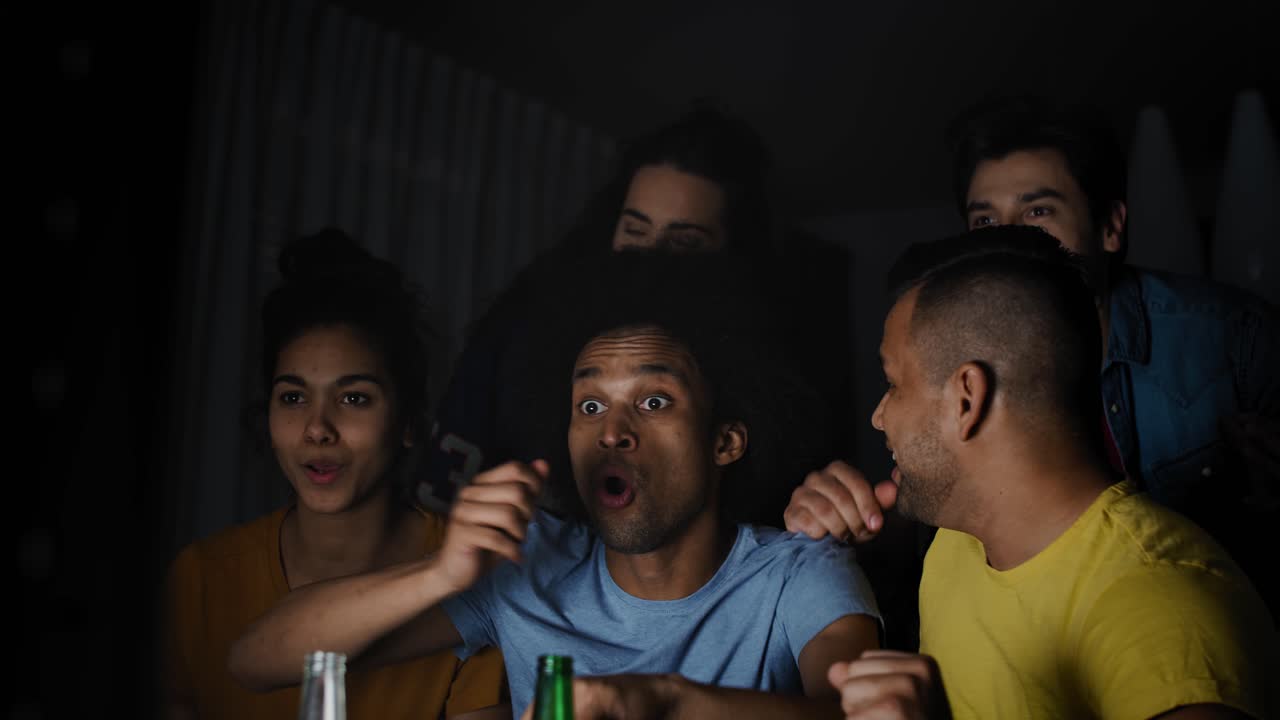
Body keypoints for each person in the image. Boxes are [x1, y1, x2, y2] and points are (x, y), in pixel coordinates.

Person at [228, 251, 881, 719]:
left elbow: (859, 714)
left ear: (725, 441)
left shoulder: (803, 571)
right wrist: (438, 575)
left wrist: (665, 702)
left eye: (653, 403)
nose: (613, 432)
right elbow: (256, 660)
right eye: (589, 407)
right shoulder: (528, 566)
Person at [794, 227, 1275, 719]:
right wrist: (823, 534)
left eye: (894, 384)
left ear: (966, 399)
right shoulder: (960, 536)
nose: (879, 416)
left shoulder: (1166, 610)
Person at [422, 105, 852, 514]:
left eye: (683, 243)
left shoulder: (775, 381)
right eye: (635, 231)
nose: (649, 260)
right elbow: (443, 491)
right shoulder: (522, 326)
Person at [160, 229, 506, 719]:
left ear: (409, 423)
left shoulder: (472, 576)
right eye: (294, 398)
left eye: (354, 398)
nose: (317, 429)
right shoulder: (201, 580)